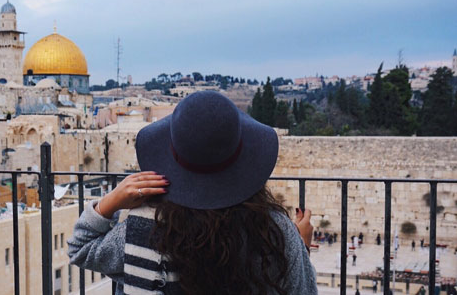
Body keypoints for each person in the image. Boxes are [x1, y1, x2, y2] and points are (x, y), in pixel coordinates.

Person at [67, 91, 318, 295]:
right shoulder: (274, 233)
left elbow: (81, 248)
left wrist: (112, 201)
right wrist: (300, 248)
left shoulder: (146, 228)